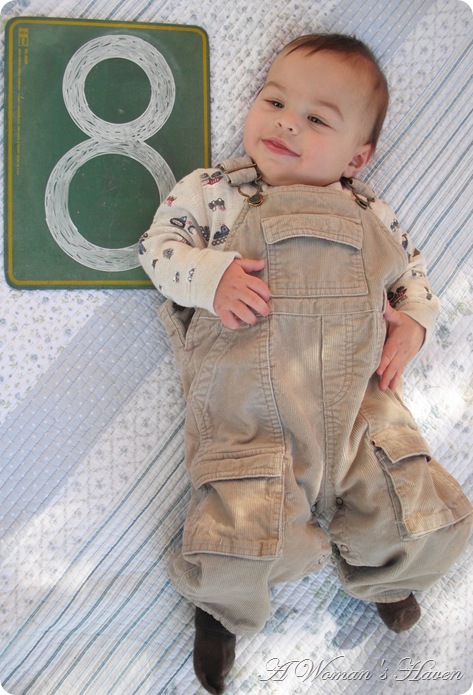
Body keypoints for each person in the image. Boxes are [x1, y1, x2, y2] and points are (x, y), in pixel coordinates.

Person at [139, 33, 472, 695]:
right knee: (240, 520)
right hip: (249, 403)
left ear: (357, 156)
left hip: (358, 399)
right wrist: (210, 276)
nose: (286, 122)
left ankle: (388, 577)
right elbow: (157, 248)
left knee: (410, 500)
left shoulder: (369, 208)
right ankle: (223, 610)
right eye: (274, 101)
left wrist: (413, 321)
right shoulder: (217, 191)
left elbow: (409, 274)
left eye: (316, 118)